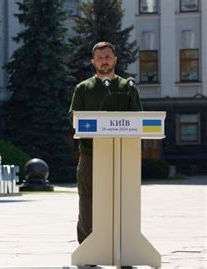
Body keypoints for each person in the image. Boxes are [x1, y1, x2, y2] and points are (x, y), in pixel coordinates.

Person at [68, 41, 143, 244]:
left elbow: (138, 119)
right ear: (93, 62)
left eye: (108, 57)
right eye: (100, 58)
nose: (104, 61)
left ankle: (125, 248)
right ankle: (88, 248)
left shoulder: (127, 87)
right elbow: (73, 118)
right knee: (87, 202)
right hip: (91, 154)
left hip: (122, 155)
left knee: (124, 202)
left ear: (115, 59)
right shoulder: (83, 89)